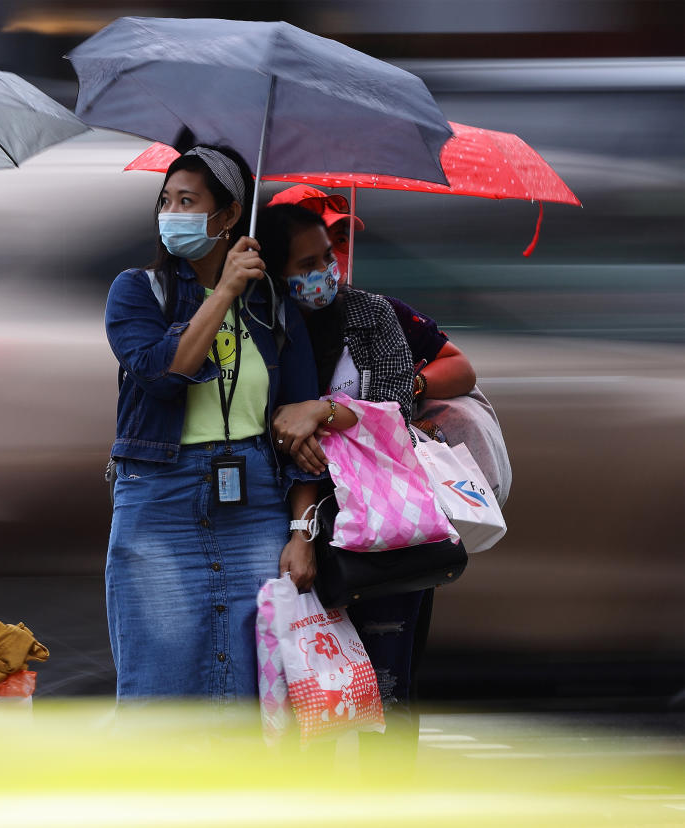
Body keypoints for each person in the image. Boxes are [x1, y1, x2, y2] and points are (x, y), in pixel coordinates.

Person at [104, 145, 322, 702]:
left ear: (228, 217)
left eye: (188, 201)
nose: (171, 212)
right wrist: (222, 291)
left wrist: (302, 532)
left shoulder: (270, 303)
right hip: (159, 494)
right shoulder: (137, 290)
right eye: (166, 201)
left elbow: (300, 433)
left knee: (254, 675)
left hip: (255, 501)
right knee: (162, 674)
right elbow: (163, 373)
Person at [260, 203, 425, 766]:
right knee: (309, 687)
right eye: (306, 262)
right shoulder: (257, 327)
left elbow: (397, 411)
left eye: (327, 257)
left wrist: (320, 412)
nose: (324, 272)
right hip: (291, 526)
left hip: (380, 523)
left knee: (387, 689)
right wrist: (288, 433)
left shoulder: (372, 315)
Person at [268, 185, 477, 404]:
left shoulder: (375, 314)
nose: (329, 260)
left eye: (339, 241)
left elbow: (459, 367)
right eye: (310, 248)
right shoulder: (255, 319)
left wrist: (406, 385)